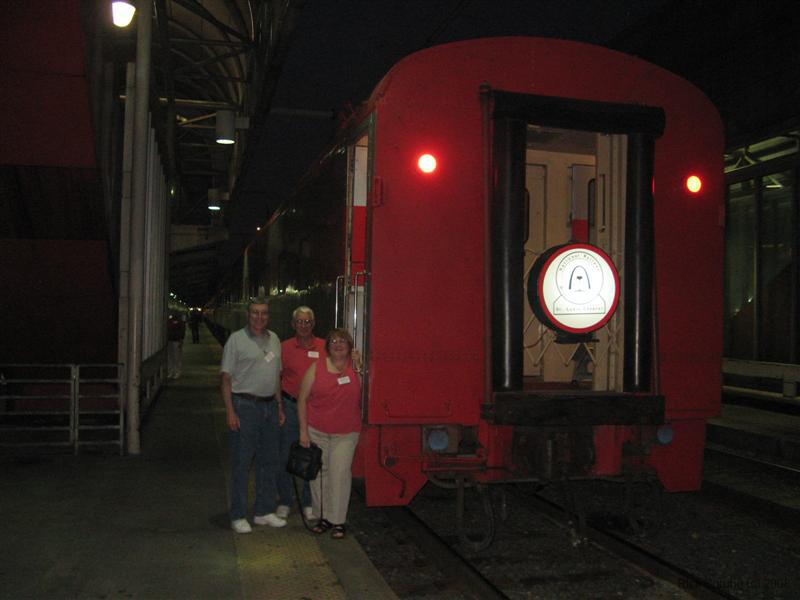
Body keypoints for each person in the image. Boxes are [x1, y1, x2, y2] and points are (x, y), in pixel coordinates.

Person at [220, 298, 285, 534]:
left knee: (269, 460)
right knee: (242, 462)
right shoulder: (236, 340)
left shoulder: (275, 339)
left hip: (269, 407)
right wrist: (230, 411)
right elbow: (226, 379)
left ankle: (264, 511)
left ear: (268, 316)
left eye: (264, 313)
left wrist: (279, 406)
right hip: (244, 406)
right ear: (248, 315)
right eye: (255, 313)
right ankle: (238, 515)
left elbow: (276, 376)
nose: (260, 317)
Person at [298, 328, 363, 539]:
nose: (337, 344)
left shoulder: (357, 367)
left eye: (342, 341)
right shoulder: (316, 368)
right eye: (333, 341)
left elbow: (370, 390)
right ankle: (323, 517)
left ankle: (338, 521)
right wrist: (303, 431)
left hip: (346, 433)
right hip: (317, 431)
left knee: (340, 474)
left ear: (350, 345)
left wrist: (360, 365)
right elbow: (302, 399)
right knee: (318, 475)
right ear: (327, 346)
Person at [276, 306, 324, 520]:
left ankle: (307, 502)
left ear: (313, 325)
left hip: (315, 409)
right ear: (293, 324)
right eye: (300, 322)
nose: (304, 326)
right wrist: (279, 406)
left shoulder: (324, 347)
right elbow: (276, 378)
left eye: (307, 322)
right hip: (290, 406)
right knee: (285, 454)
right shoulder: (284, 347)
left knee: (311, 456)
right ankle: (285, 500)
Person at [167, 313, 185, 378]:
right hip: (170, 340)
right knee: (170, 357)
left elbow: (182, 331)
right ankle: (171, 372)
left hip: (176, 340)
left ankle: (177, 372)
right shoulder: (170, 321)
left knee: (176, 357)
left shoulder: (180, 321)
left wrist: (181, 340)